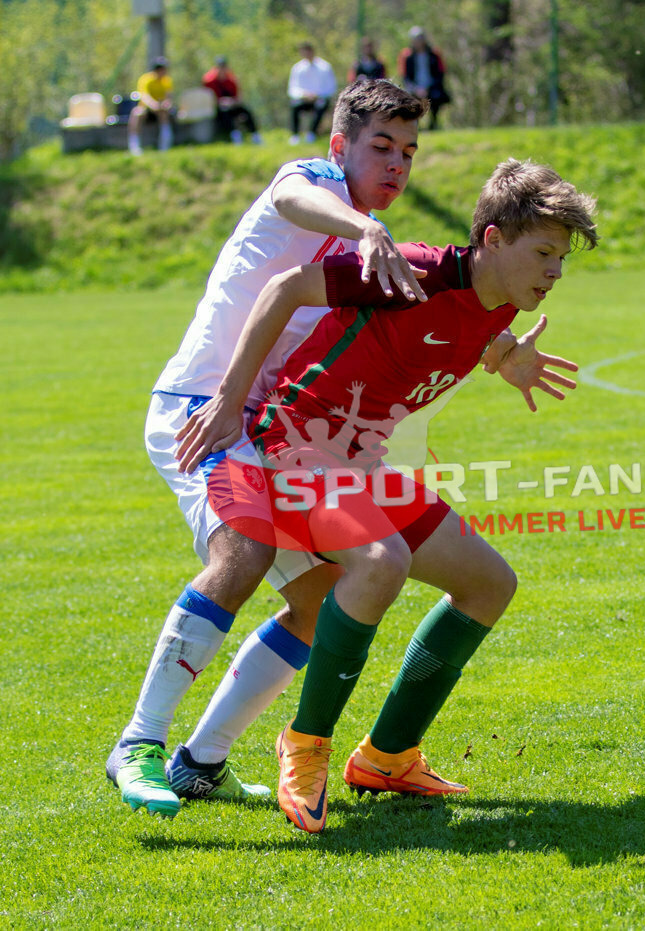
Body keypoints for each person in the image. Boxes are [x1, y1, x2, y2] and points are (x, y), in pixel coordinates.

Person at [174, 158, 599, 833]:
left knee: (489, 583)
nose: (555, 271)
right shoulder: (414, 269)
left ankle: (388, 756)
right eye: (544, 253)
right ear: (492, 239)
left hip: (358, 464)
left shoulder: (499, 302)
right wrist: (228, 400)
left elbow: (464, 327)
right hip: (292, 446)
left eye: (561, 258)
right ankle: (305, 743)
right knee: (381, 562)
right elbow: (286, 287)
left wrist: (504, 355)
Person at [105, 80, 431, 818]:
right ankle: (138, 742)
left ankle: (200, 762)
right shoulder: (313, 185)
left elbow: (418, 304)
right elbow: (291, 197)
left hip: (266, 433)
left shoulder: (369, 242)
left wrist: (501, 348)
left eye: (409, 152)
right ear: (340, 146)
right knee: (244, 548)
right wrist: (363, 227)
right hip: (201, 409)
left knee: (319, 597)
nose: (396, 164)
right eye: (381, 146)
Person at [202, 55, 262, 145]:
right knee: (225, 113)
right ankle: (235, 136)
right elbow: (207, 98)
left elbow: (238, 98)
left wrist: (232, 102)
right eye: (220, 67)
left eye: (224, 66)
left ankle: (255, 135)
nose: (222, 69)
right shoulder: (209, 81)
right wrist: (220, 102)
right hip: (217, 108)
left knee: (246, 111)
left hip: (232, 105)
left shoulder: (231, 80)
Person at [398, 27, 450, 130]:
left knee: (436, 96)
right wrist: (416, 89)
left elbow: (440, 74)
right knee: (409, 100)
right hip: (414, 88)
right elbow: (405, 77)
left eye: (420, 39)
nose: (418, 42)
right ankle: (415, 124)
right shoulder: (406, 56)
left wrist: (429, 88)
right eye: (416, 39)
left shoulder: (434, 54)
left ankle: (433, 123)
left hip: (432, 87)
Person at [288, 42, 337, 145]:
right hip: (303, 99)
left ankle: (312, 133)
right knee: (294, 106)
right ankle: (295, 135)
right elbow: (293, 88)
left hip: (320, 98)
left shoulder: (324, 67)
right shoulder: (297, 68)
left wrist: (317, 95)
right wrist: (304, 95)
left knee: (321, 105)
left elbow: (331, 87)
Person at [128, 57, 174, 156]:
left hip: (160, 110)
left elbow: (168, 96)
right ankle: (134, 146)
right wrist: (154, 105)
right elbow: (145, 96)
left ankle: (165, 144)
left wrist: (166, 104)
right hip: (147, 109)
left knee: (164, 114)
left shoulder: (166, 80)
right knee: (136, 113)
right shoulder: (146, 79)